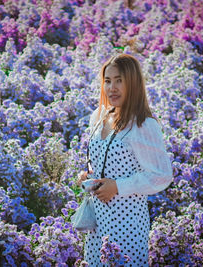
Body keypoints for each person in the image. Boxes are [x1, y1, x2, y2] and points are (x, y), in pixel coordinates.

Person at [77, 54, 173, 266]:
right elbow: (103, 157)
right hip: (97, 221)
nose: (112, 87)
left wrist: (118, 186)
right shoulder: (99, 116)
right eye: (108, 81)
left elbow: (162, 176)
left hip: (127, 223)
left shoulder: (143, 125)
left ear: (133, 83)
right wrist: (89, 175)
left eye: (119, 80)